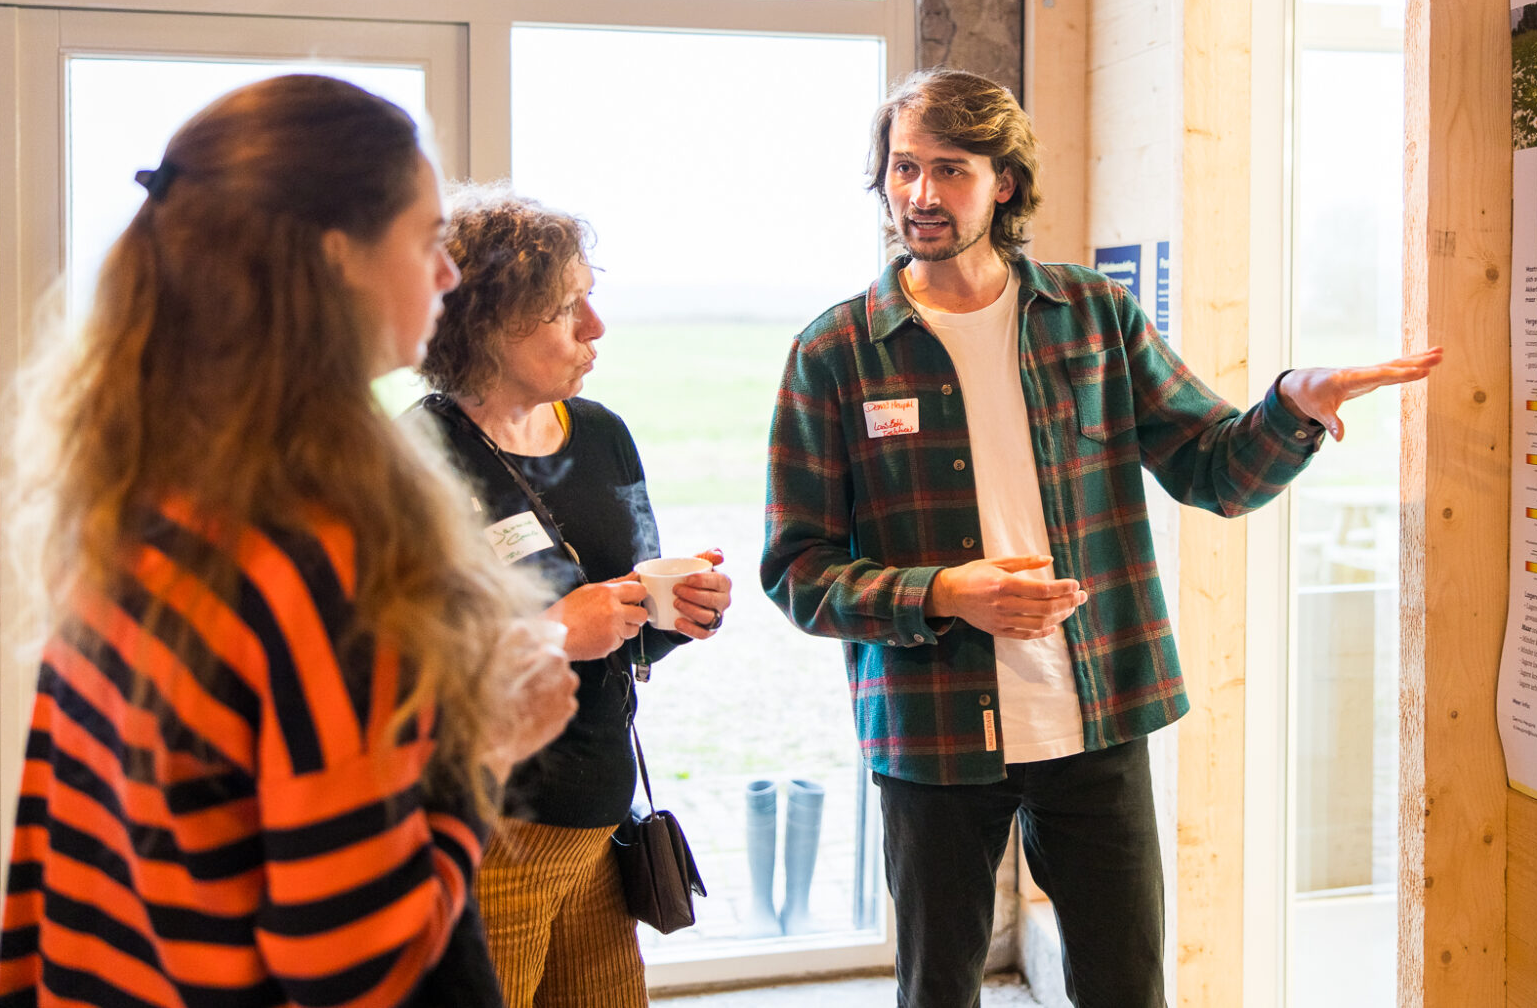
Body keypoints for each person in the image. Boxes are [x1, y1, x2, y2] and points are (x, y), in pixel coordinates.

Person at [762, 70, 1442, 1008]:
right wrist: (945, 592)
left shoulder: (1092, 317)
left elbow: (1213, 468)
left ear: (1002, 182)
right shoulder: (835, 352)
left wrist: (1291, 406)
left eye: (949, 170)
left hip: (1096, 710)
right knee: (937, 992)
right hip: (929, 728)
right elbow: (798, 571)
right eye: (905, 167)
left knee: (1129, 987)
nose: (920, 193)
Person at [0, 76, 578, 1007]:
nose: (449, 275)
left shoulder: (132, 495)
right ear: (336, 257)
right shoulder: (318, 554)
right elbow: (354, 966)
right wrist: (485, 752)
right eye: (428, 239)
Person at [411, 186, 734, 1008]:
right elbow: (399, 674)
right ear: (486, 321)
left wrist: (674, 611)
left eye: (590, 298)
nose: (595, 326)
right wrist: (556, 633)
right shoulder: (415, 458)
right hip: (493, 835)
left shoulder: (601, 432)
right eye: (565, 308)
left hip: (601, 822)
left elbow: (624, 625)